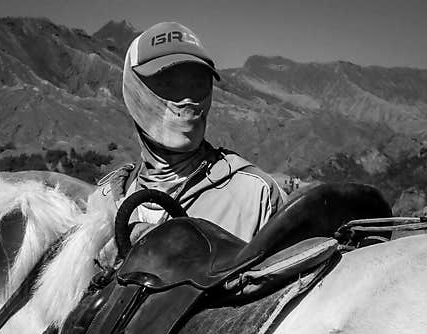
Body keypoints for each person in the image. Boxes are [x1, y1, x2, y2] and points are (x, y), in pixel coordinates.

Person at [87, 21, 285, 243]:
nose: (187, 100)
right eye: (168, 83)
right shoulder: (105, 201)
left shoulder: (255, 196)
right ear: (134, 89)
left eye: (197, 83)